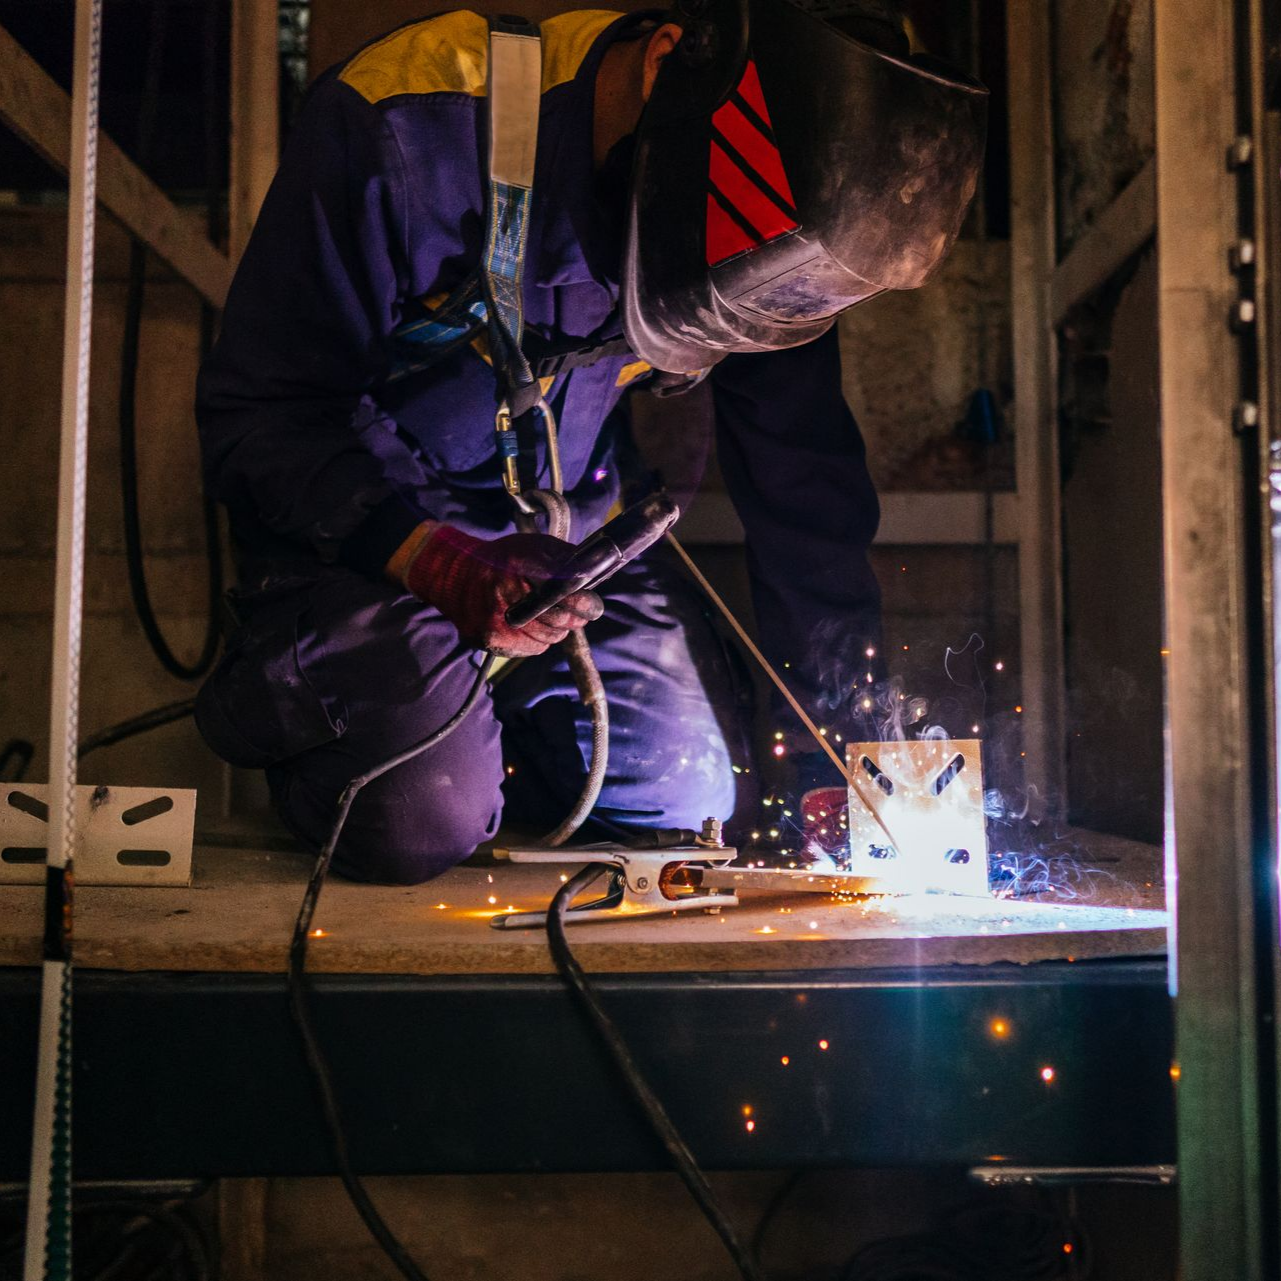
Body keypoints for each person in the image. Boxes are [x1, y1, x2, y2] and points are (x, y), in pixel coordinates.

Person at [194, 0, 986, 883]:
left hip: (565, 550)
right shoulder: (407, 124)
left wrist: (841, 738)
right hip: (370, 539)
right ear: (665, 68)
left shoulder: (790, 212)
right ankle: (362, 724)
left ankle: (484, 736)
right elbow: (258, 417)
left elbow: (801, 480)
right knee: (418, 814)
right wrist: (435, 563)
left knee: (691, 800)